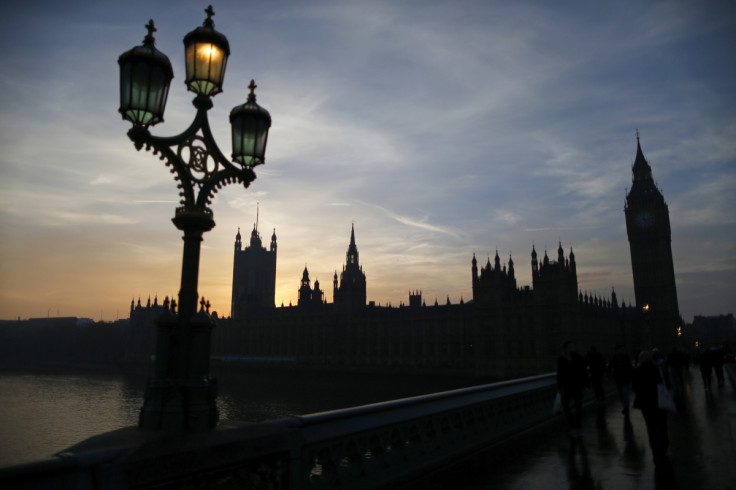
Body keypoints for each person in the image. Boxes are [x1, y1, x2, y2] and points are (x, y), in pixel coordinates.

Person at [632, 350, 669, 465]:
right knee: (662, 425)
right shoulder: (656, 369)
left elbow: (635, 387)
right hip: (658, 401)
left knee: (650, 427)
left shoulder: (638, 371)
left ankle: (655, 450)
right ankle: (664, 447)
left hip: (645, 403)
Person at [557, 340, 589, 438]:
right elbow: (559, 373)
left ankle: (578, 428)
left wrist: (586, 385)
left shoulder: (578, 358)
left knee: (578, 407)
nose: (571, 349)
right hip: (566, 386)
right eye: (569, 347)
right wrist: (559, 386)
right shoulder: (561, 359)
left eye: (572, 347)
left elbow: (584, 372)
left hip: (577, 386)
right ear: (565, 348)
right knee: (565, 406)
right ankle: (573, 426)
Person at [608, 344, 633, 416]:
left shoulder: (615, 358)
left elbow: (610, 367)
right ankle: (626, 406)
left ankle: (626, 407)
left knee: (624, 394)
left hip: (622, 379)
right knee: (623, 394)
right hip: (622, 379)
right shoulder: (622, 357)